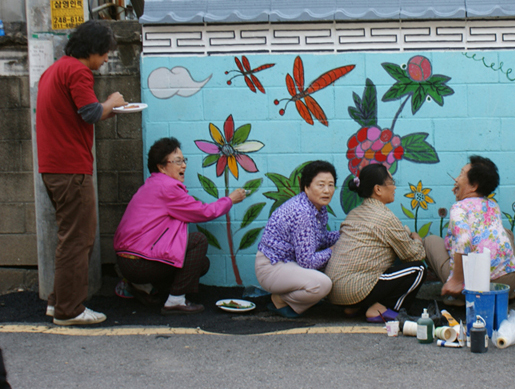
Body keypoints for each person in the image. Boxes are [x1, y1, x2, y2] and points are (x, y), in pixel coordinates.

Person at [37, 20, 127, 326]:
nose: (105, 61)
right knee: (79, 239)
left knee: (69, 237)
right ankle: (70, 310)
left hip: (54, 167)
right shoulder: (77, 71)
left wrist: (109, 108)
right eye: (105, 55)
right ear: (94, 50)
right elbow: (89, 113)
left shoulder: (55, 69)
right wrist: (112, 102)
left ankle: (57, 303)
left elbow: (80, 113)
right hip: (71, 168)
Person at [113, 138, 246, 315]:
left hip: (129, 261)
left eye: (183, 160)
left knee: (201, 264)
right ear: (161, 167)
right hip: (139, 262)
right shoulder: (168, 188)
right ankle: (175, 301)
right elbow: (203, 212)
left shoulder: (154, 184)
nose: (183, 165)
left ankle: (143, 287)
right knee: (198, 241)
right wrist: (230, 200)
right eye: (177, 161)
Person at [325, 164, 427, 322]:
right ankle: (381, 308)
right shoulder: (385, 217)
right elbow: (414, 255)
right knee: (418, 269)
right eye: (392, 183)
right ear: (378, 189)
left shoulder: (354, 213)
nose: (394, 188)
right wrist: (417, 240)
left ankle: (353, 307)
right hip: (356, 289)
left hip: (334, 292)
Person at [423, 155, 515, 304]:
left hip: (475, 288)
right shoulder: (493, 206)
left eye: (461, 174)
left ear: (474, 186)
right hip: (508, 282)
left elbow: (463, 240)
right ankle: (503, 295)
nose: (456, 179)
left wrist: (456, 280)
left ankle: (464, 299)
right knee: (507, 233)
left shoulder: (459, 208)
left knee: (430, 241)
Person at [255, 161, 340, 318]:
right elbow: (307, 262)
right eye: (320, 185)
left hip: (289, 263)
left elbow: (320, 239)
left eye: (331, 185)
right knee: (323, 284)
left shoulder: (317, 207)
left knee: (328, 270)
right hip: (273, 266)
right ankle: (280, 300)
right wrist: (332, 251)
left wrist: (345, 234)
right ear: (306, 187)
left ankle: (302, 298)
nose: (327, 190)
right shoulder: (303, 213)